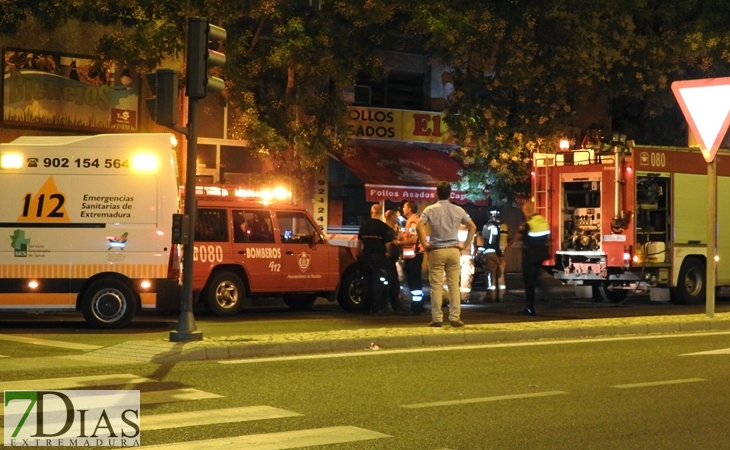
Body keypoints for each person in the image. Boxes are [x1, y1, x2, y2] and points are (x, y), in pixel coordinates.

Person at [416, 182, 476, 327]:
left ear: (437, 193)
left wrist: (425, 244)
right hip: (454, 250)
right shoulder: (458, 210)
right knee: (454, 285)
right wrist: (465, 245)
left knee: (436, 286)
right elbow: (472, 227)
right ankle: (455, 317)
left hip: (437, 250)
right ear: (450, 194)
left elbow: (419, 226)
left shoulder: (430, 210)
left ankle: (437, 319)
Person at [357, 204, 394, 315]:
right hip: (379, 258)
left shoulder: (364, 225)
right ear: (380, 213)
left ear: (371, 212)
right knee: (377, 283)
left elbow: (359, 243)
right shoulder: (383, 227)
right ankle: (376, 307)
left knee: (366, 281)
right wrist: (389, 254)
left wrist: (358, 255)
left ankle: (365, 306)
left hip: (365, 256)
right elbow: (388, 244)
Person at [518, 202, 551, 316]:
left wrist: (521, 229)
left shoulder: (529, 223)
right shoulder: (543, 220)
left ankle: (530, 308)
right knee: (535, 277)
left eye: (524, 211)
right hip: (542, 254)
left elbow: (519, 236)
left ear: (527, 211)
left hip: (531, 255)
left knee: (528, 281)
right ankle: (546, 293)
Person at [394, 201, 425, 314]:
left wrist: (398, 243)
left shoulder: (413, 222)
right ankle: (417, 304)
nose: (403, 208)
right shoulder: (409, 221)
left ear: (410, 209)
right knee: (413, 280)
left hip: (414, 255)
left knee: (415, 281)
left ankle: (417, 306)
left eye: (404, 207)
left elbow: (413, 240)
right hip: (411, 255)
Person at [482, 209, 507, 301]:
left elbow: (485, 241)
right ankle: (501, 296)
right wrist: (502, 254)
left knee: (490, 275)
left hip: (490, 252)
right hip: (501, 253)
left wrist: (482, 252)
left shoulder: (487, 226)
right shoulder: (503, 226)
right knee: (500, 275)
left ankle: (491, 295)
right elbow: (504, 241)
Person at [384, 209, 404, 312]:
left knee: (394, 283)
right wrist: (390, 255)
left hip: (392, 261)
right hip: (389, 261)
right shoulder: (387, 230)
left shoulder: (391, 230)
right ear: (392, 217)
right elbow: (388, 244)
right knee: (393, 283)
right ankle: (393, 305)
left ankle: (394, 304)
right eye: (396, 216)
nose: (397, 218)